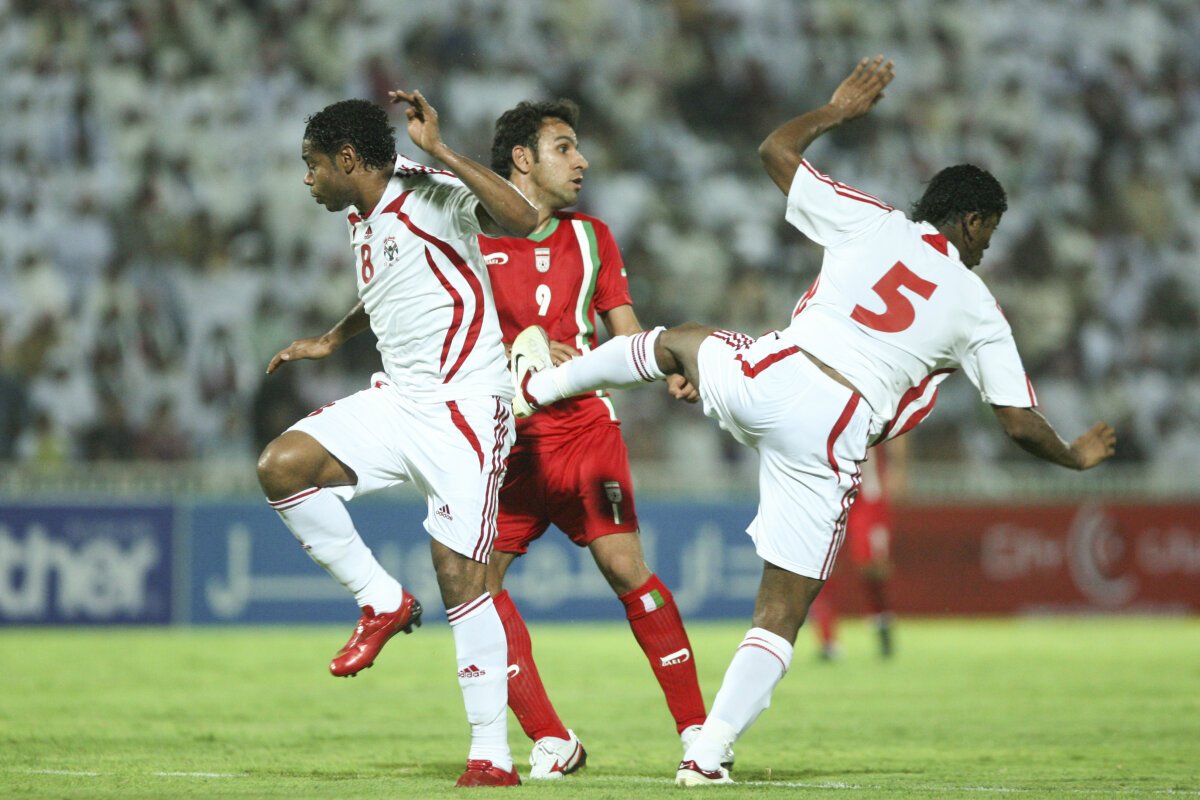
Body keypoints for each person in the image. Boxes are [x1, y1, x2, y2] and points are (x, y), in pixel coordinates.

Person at [507, 56, 1117, 786]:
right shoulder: (978, 306)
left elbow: (775, 151)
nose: (987, 247)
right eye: (989, 233)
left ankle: (543, 384)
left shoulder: (876, 222)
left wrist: (836, 111)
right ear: (974, 221)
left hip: (775, 372)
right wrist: (1073, 457)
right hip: (833, 429)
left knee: (679, 341)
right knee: (780, 611)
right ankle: (706, 754)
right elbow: (1017, 422)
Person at [256, 90, 537, 788]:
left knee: (460, 576)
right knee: (283, 465)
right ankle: (382, 599)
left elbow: (524, 218)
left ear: (348, 159)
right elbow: (392, 286)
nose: (307, 178)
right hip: (400, 401)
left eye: (313, 164)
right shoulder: (362, 215)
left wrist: (441, 150)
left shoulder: (429, 191)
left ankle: (492, 756)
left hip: (465, 407)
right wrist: (331, 339)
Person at [478, 99, 719, 779]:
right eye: (564, 147)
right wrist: (515, 355)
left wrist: (670, 364)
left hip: (585, 429)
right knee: (474, 588)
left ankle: (699, 736)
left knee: (623, 567)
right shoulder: (470, 243)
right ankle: (553, 740)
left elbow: (627, 333)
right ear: (522, 160)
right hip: (506, 443)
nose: (581, 161)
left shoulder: (592, 237)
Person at [810, 436, 906, 660]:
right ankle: (827, 642)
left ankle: (881, 621)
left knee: (872, 567)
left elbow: (898, 427)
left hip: (868, 494)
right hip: (830, 495)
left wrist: (899, 467)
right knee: (822, 565)